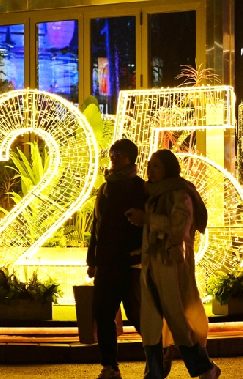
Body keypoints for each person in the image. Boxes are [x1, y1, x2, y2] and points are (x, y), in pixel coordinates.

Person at [125, 149, 220, 379]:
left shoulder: (180, 194)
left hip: (171, 268)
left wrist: (147, 219)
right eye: (149, 165)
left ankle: (205, 368)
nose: (150, 170)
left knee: (178, 321)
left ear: (168, 168)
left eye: (156, 165)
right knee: (150, 324)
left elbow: (180, 226)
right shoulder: (153, 194)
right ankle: (154, 373)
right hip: (152, 267)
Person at [86, 139, 146, 379]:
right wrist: (93, 259)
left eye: (120, 153)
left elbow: (143, 224)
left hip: (129, 262)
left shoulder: (138, 186)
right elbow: (97, 226)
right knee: (103, 313)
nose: (114, 156)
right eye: (112, 152)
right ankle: (110, 366)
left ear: (131, 158)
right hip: (107, 262)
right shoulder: (105, 187)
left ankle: (158, 352)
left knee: (137, 314)